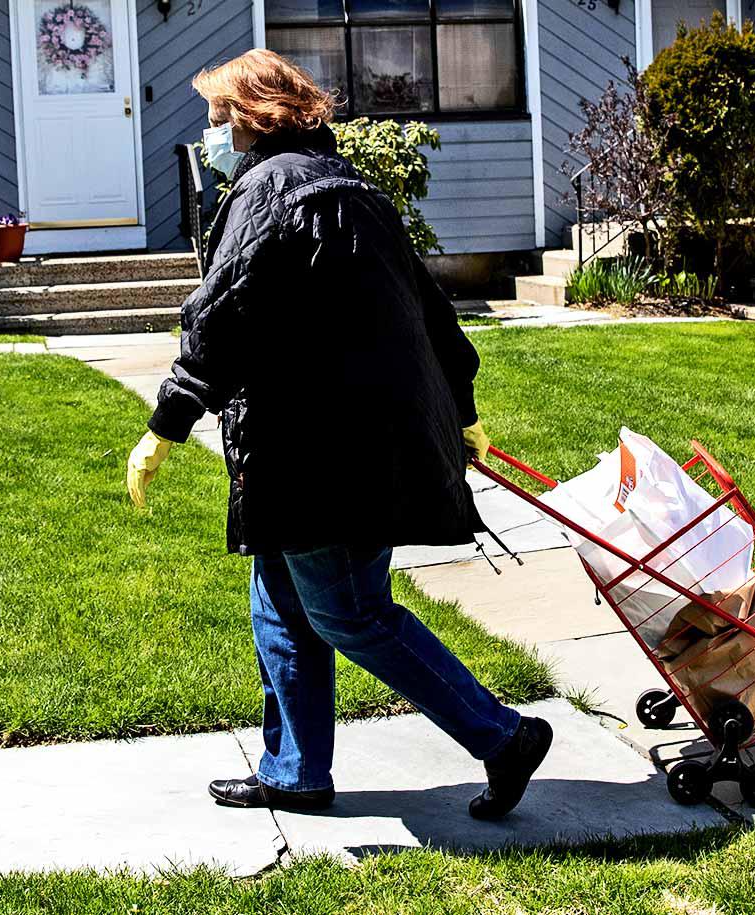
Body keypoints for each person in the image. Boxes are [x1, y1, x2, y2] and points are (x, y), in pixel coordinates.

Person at [123, 49, 552, 820]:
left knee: (351, 613)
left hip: (322, 451)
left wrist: (166, 425)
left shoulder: (271, 193)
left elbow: (221, 318)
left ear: (254, 120)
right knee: (279, 604)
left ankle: (503, 736)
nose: (209, 133)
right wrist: (462, 406)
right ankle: (294, 770)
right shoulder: (351, 188)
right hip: (333, 444)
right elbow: (434, 312)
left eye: (217, 118)